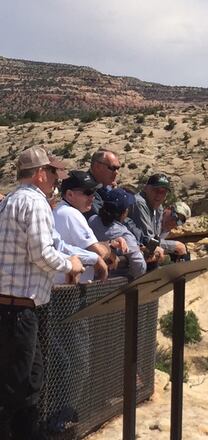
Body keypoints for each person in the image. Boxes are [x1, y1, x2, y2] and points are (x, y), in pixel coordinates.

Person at [0, 147, 84, 440]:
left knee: (27, 382)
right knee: (20, 387)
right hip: (20, 309)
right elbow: (42, 253)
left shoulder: (9, 200)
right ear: (39, 174)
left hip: (13, 307)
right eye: (52, 173)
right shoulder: (35, 203)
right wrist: (71, 263)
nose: (56, 180)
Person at [53, 171, 118, 284]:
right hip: (68, 289)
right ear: (70, 195)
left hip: (63, 287)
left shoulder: (60, 211)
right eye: (88, 192)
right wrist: (109, 247)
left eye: (94, 192)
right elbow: (99, 253)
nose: (92, 197)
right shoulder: (71, 213)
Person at [128, 174, 173, 266]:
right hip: (131, 257)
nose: (159, 195)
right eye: (156, 190)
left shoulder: (158, 207)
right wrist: (174, 246)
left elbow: (156, 237)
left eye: (163, 192)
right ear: (146, 188)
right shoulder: (140, 203)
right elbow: (149, 238)